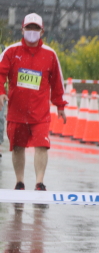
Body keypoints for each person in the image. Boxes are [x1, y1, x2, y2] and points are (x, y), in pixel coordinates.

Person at [0, 13, 67, 191]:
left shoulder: (50, 55)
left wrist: (60, 105)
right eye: (28, 28)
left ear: (42, 32)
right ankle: (20, 182)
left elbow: (57, 82)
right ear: (22, 30)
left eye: (35, 28)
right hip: (17, 111)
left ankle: (39, 182)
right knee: (18, 147)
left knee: (42, 146)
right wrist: (1, 92)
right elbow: (0, 73)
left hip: (40, 113)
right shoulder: (11, 52)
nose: (32, 31)